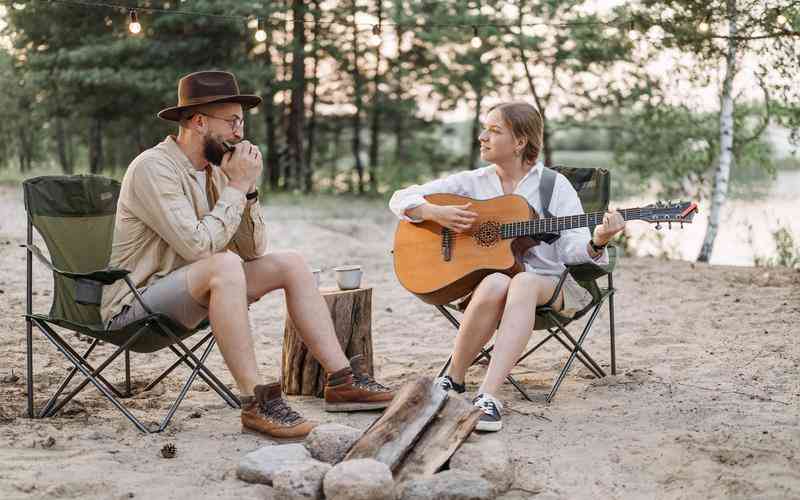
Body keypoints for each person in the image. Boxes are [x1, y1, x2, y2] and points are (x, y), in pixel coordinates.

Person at [101, 70, 393, 439]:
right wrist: (237, 185)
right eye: (233, 121)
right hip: (136, 305)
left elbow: (254, 249)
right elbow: (198, 246)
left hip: (197, 292)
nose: (240, 133)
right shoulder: (153, 168)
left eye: (242, 122)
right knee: (224, 264)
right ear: (198, 121)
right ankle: (256, 401)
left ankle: (342, 380)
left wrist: (246, 189)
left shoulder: (219, 169)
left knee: (291, 263)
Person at [389, 101, 624, 432]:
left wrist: (597, 241)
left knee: (522, 282)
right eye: (485, 129)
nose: (482, 137)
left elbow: (572, 249)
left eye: (494, 131)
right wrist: (434, 213)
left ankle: (488, 396)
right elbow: (401, 197)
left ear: (520, 142)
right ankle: (453, 381)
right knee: (497, 281)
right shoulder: (473, 182)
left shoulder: (552, 185)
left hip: (550, 285)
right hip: (493, 287)